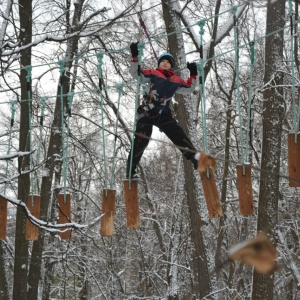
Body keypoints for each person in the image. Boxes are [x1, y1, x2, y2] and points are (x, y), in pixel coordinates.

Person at [126, 42, 202, 179]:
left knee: (177, 133)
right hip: (147, 111)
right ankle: (131, 169)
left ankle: (194, 157)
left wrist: (193, 74)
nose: (165, 63)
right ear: (159, 64)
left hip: (163, 113)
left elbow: (189, 88)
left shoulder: (176, 80)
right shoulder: (153, 73)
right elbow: (136, 74)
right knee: (141, 140)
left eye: (168, 62)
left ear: (172, 66)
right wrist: (135, 56)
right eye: (163, 61)